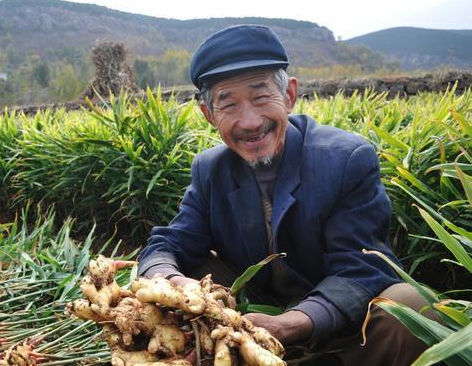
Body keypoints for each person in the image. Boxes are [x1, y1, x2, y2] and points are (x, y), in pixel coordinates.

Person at [137, 25, 429, 365]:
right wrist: (172, 283)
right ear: (209, 114)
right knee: (174, 277)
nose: (249, 122)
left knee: (410, 305)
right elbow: (168, 244)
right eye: (227, 104)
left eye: (261, 97)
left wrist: (290, 324)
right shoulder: (210, 169)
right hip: (247, 321)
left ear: (289, 95)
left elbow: (362, 267)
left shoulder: (346, 159)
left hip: (340, 326)